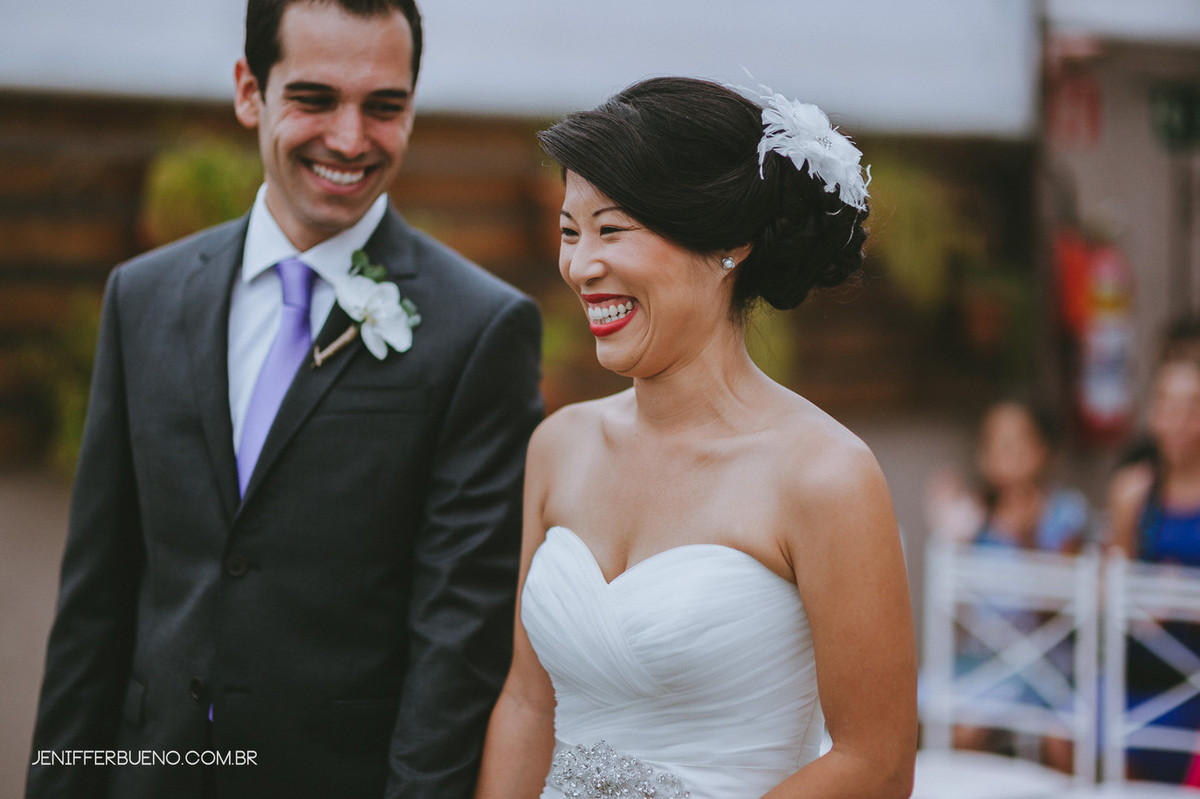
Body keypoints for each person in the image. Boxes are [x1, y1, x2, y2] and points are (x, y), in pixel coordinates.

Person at [26, 1, 542, 797]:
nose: (349, 138)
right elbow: (96, 595)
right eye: (314, 98)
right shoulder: (145, 296)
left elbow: (456, 641)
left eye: (384, 106)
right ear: (248, 91)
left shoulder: (480, 329)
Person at [474, 77, 917, 799]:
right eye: (569, 230)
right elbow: (528, 701)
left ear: (728, 243)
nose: (581, 266)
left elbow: (877, 762)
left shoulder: (826, 475)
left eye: (611, 230)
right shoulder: (559, 445)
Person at [925, 399, 1095, 772]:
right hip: (982, 665)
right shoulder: (973, 519)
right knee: (960, 731)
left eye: (1019, 443)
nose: (1008, 454)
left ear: (1044, 450)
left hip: (1048, 669)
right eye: (997, 444)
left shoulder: (1064, 515)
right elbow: (953, 622)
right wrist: (950, 539)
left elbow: (1064, 611)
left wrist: (1028, 539)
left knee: (1063, 744)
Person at [1108, 315, 1200, 784]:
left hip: (1193, 680)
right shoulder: (1132, 492)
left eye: (1193, 407)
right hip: (1141, 669)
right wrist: (1137, 602)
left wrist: (1183, 600)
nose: (1179, 420)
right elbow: (1112, 583)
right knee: (1076, 732)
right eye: (1168, 405)